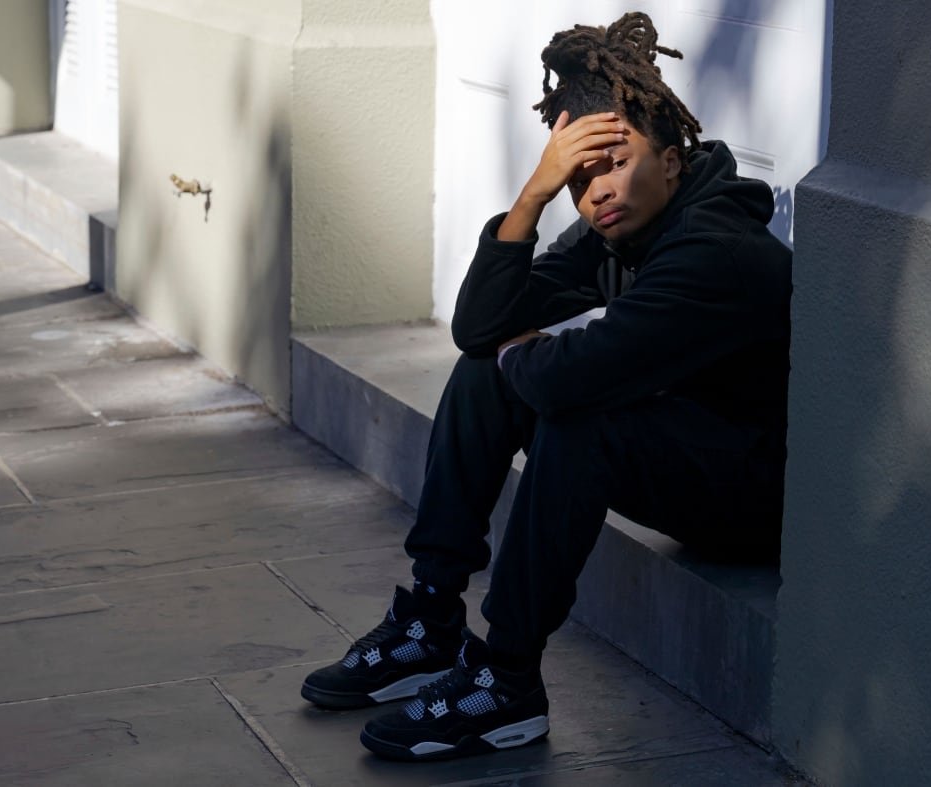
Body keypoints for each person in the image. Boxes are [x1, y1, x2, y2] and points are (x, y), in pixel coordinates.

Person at [300, 11, 792, 762]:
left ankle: (506, 682)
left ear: (671, 157)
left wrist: (522, 358)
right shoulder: (617, 227)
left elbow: (571, 378)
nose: (597, 192)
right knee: (483, 373)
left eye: (614, 162)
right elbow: (480, 330)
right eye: (578, 176)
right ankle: (431, 619)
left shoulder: (717, 252)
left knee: (575, 419)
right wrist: (531, 198)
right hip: (686, 459)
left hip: (749, 501)